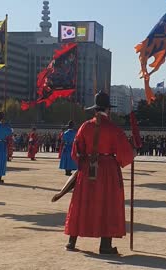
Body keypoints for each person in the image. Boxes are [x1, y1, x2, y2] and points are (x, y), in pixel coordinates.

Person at [64, 91, 134, 254]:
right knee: (108, 204)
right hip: (108, 170)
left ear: (95, 109)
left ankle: (71, 241)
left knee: (81, 202)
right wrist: (133, 152)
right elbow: (125, 154)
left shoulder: (84, 126)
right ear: (108, 109)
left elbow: (76, 152)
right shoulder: (113, 129)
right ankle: (105, 245)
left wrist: (84, 162)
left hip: (88, 168)